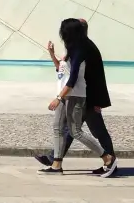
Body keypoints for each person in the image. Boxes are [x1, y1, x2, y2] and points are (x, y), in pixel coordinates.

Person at [35, 19, 118, 176]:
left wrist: (97, 102)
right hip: (74, 95)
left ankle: (110, 160)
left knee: (87, 131)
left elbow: (95, 77)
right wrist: (52, 55)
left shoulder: (85, 48)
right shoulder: (75, 47)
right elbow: (63, 70)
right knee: (66, 129)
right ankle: (55, 161)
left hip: (86, 98)